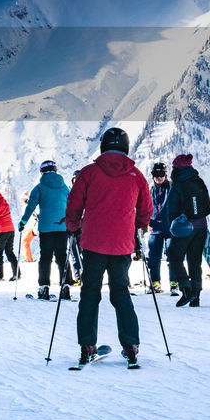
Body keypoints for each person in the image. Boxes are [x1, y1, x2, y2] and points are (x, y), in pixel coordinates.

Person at [65, 128, 153, 368]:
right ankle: (131, 346)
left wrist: (72, 227)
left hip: (93, 243)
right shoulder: (136, 175)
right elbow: (146, 209)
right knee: (121, 293)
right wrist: (138, 227)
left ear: (103, 146)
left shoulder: (89, 173)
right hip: (122, 245)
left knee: (90, 293)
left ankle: (87, 346)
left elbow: (74, 204)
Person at [165, 154, 210, 308]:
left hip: (184, 227)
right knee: (195, 261)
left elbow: (171, 209)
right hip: (202, 226)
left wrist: (171, 227)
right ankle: (196, 296)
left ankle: (186, 289)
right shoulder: (198, 180)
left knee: (175, 257)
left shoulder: (178, 184)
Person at [21, 160, 70, 300]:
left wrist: (23, 222)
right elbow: (73, 202)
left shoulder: (39, 188)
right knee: (62, 256)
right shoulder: (64, 187)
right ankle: (65, 287)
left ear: (42, 172)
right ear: (56, 170)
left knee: (45, 257)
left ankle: (44, 288)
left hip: (46, 228)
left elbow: (30, 206)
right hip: (62, 227)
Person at [145, 162, 172, 293]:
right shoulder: (150, 190)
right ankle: (155, 283)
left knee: (172, 256)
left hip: (170, 227)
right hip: (155, 227)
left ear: (165, 175)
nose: (159, 177)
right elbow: (144, 206)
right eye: (156, 174)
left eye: (161, 174)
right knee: (154, 258)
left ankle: (174, 284)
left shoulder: (171, 188)